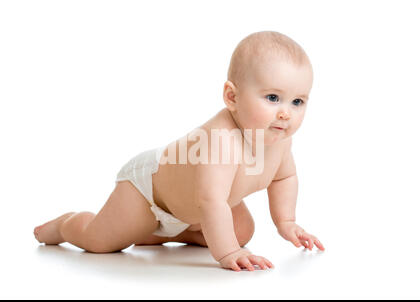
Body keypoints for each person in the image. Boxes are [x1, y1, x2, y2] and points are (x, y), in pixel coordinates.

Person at [34, 31, 325, 272]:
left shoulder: (279, 139)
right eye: (273, 98)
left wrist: (286, 222)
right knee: (99, 240)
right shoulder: (221, 139)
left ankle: (159, 233)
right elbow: (210, 201)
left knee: (242, 231)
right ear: (232, 97)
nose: (286, 113)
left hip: (194, 209)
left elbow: (283, 178)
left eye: (298, 102)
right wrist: (227, 253)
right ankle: (63, 226)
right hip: (149, 193)